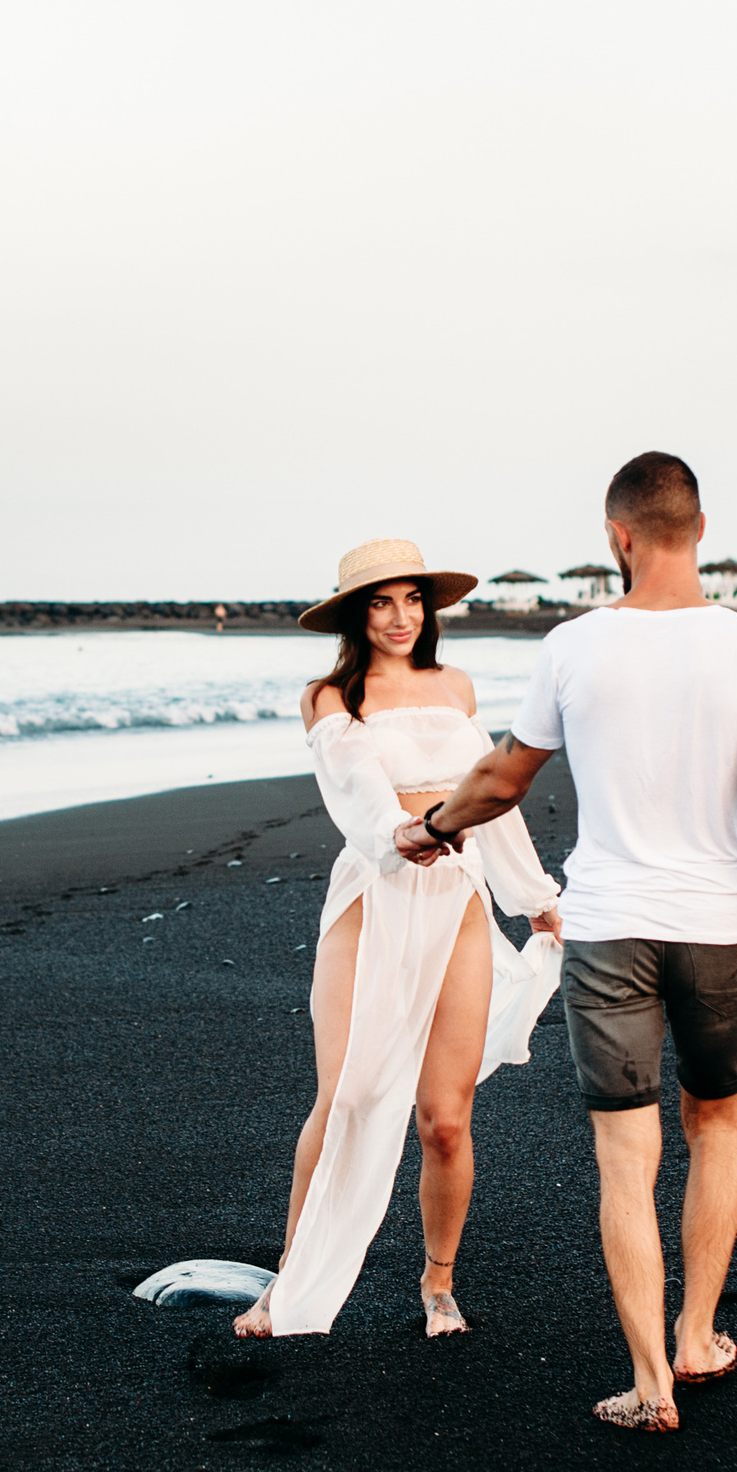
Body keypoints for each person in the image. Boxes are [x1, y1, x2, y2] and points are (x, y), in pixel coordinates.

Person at [395, 453, 737, 1431]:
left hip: (608, 933)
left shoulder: (573, 646)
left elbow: (503, 778)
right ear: (700, 529)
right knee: (714, 1128)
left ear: (618, 538)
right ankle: (695, 1335)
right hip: (721, 927)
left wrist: (432, 828)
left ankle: (648, 1383)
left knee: (624, 1155)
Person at [233, 539, 566, 1341]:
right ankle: (289, 1280)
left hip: (456, 894)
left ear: (430, 607)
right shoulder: (329, 695)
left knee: (444, 1119)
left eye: (412, 599)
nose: (399, 616)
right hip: (373, 893)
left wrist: (534, 900)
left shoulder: (456, 686)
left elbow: (497, 797)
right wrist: (404, 835)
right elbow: (355, 793)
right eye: (380, 602)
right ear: (356, 613)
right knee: (344, 1096)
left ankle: (439, 1284)